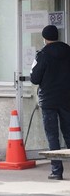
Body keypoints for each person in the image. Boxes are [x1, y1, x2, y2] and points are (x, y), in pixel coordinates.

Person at [30, 25, 70, 180]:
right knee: (68, 133)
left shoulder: (42, 54)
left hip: (49, 101)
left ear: (45, 38)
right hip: (67, 99)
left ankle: (56, 170)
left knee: (52, 136)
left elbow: (34, 78)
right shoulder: (68, 51)